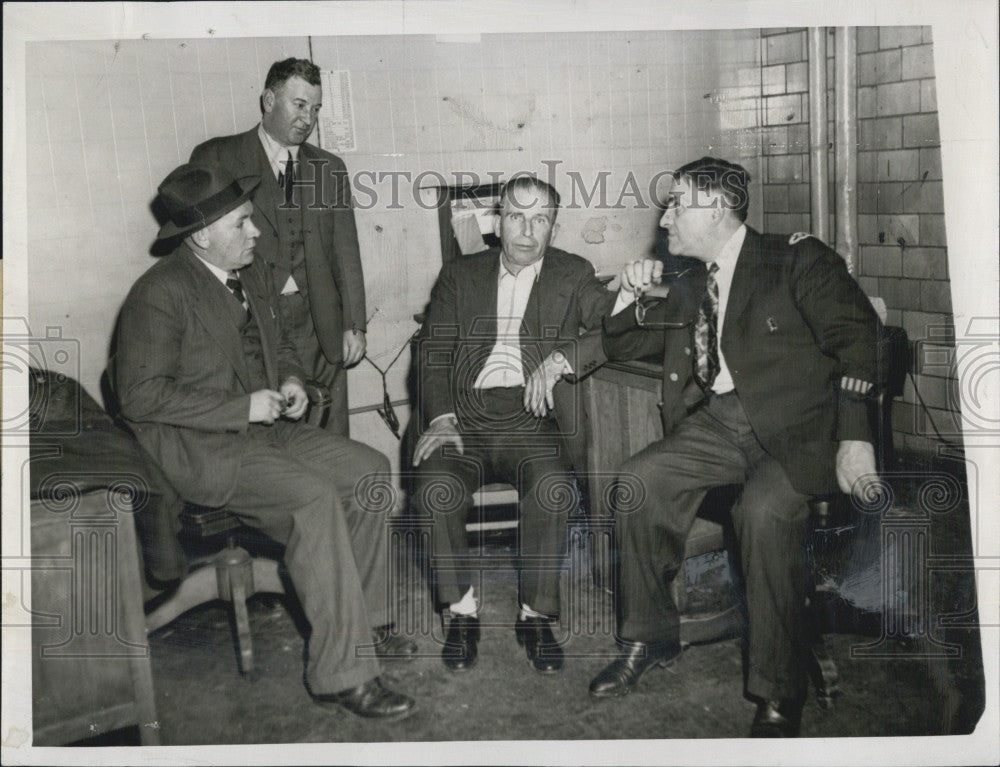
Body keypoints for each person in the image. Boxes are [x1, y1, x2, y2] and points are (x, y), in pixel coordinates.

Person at [582, 157, 883, 736]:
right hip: (720, 426)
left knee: (763, 513)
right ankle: (651, 638)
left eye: (676, 203)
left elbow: (862, 338)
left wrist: (853, 436)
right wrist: (627, 291)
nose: (665, 217)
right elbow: (623, 345)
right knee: (637, 483)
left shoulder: (796, 258)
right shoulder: (694, 281)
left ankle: (778, 690)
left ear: (715, 208)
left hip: (798, 432)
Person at [114, 162, 415, 719]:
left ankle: (370, 625)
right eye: (243, 223)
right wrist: (240, 407)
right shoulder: (157, 296)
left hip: (269, 431)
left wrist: (293, 382)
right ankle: (342, 674)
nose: (256, 232)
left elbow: (281, 349)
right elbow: (138, 396)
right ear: (202, 235)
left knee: (369, 471)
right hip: (206, 451)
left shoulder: (251, 274)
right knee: (314, 501)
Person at [411, 175, 614, 674]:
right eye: (517, 216)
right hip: (462, 416)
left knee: (551, 487)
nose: (527, 229)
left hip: (534, 418)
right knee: (436, 484)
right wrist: (439, 416)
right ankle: (460, 613)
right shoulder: (461, 274)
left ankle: (536, 614)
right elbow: (433, 349)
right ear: (497, 222)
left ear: (553, 227)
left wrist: (568, 352)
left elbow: (611, 320)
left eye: (540, 218)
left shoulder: (574, 272)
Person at [190, 57, 364, 437]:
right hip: (254, 319)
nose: (308, 118)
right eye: (299, 105)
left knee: (332, 438)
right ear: (269, 100)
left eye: (315, 109)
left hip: (321, 323)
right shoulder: (217, 157)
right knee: (275, 441)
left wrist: (353, 324)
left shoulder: (329, 168)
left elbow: (345, 253)